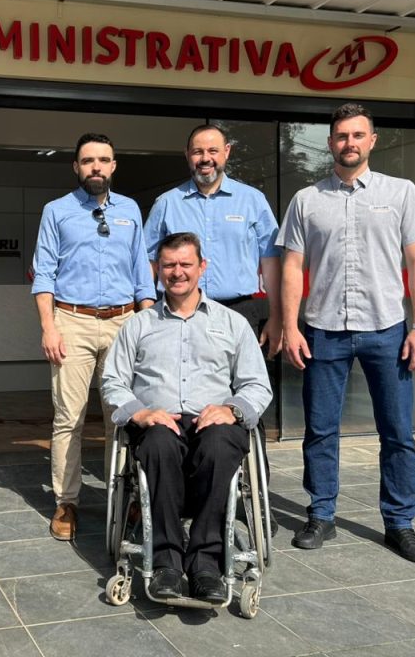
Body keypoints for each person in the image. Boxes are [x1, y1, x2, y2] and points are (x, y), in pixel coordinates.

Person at [279, 103, 415, 564]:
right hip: (324, 330)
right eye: (341, 136)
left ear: (372, 140)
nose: (349, 143)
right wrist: (289, 326)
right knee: (320, 431)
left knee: (398, 432)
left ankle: (400, 523)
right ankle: (321, 515)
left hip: (387, 329)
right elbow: (291, 268)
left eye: (357, 135)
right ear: (331, 143)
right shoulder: (306, 200)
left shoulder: (402, 193)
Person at [102, 232, 271, 602]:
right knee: (158, 445)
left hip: (216, 423)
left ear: (202, 267)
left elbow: (257, 385)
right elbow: (113, 381)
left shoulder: (232, 323)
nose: (177, 272)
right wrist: (140, 412)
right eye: (168, 265)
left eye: (185, 264)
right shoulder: (139, 325)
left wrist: (232, 410)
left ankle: (205, 565)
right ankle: (165, 562)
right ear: (158, 270)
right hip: (158, 424)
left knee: (220, 446)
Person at [143, 123, 281, 531]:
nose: (206, 159)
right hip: (179, 311)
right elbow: (149, 261)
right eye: (198, 152)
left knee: (244, 407)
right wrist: (148, 312)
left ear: (227, 153)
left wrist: (276, 315)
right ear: (188, 156)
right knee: (181, 398)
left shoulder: (252, 200)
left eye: (213, 151)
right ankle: (185, 495)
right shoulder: (167, 203)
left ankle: (255, 504)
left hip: (240, 312)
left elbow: (270, 260)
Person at [32, 133, 156, 541]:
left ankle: (123, 496)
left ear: (113, 166)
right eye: (88, 161)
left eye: (103, 160)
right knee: (69, 417)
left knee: (122, 415)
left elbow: (141, 272)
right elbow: (44, 273)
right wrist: (49, 326)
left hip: (123, 323)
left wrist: (147, 324)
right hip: (72, 321)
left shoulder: (130, 210)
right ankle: (66, 501)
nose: (96, 167)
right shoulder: (57, 211)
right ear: (76, 167)